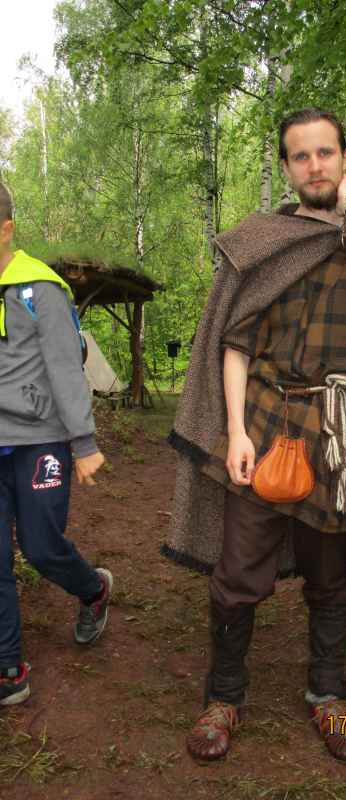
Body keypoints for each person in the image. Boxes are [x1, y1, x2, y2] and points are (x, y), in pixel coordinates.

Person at [165, 108, 346, 763]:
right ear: (286, 167)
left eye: (326, 153)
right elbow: (235, 344)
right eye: (301, 156)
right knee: (237, 573)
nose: (315, 166)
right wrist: (236, 432)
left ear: (345, 158)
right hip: (266, 424)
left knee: (330, 576)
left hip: (340, 433)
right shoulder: (265, 242)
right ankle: (223, 698)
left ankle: (328, 695)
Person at [0, 182, 112, 707]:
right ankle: (8, 665)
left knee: (41, 547)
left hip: (39, 439)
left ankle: (93, 589)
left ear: (6, 229)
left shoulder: (39, 288)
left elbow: (66, 367)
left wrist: (83, 442)